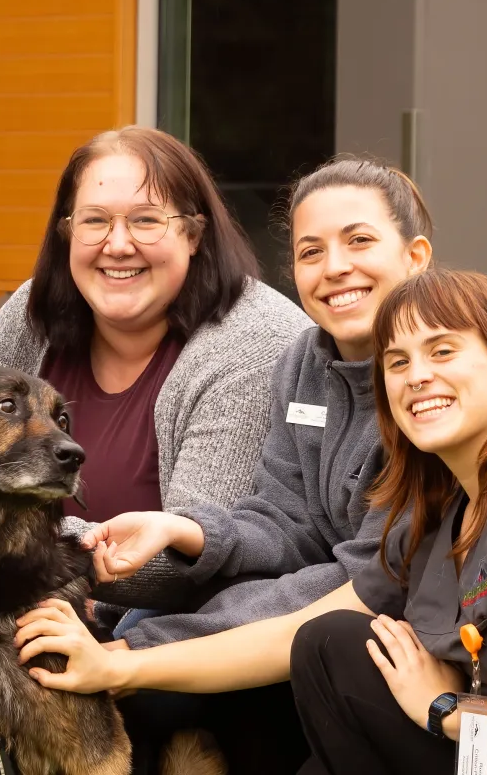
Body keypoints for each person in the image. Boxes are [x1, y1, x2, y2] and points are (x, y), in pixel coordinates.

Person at [14, 269, 487, 775]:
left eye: (444, 351)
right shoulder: (438, 507)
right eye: (398, 362)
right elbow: (289, 633)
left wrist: (441, 708)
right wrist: (119, 665)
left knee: (340, 657)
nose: (417, 376)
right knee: (330, 646)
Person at [83, 157, 436, 772]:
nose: (335, 267)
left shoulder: (433, 390)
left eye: (359, 240)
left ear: (415, 256)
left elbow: (369, 583)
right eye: (310, 251)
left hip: (425, 662)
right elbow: (286, 523)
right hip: (337, 634)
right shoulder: (305, 361)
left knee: (159, 691)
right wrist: (184, 530)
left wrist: (140, 651)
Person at [0, 126, 307, 619]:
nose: (117, 244)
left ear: (194, 234)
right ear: (67, 232)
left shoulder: (256, 340)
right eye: (94, 221)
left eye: (146, 220)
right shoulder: (31, 314)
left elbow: (181, 562)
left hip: (177, 641)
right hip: (25, 615)